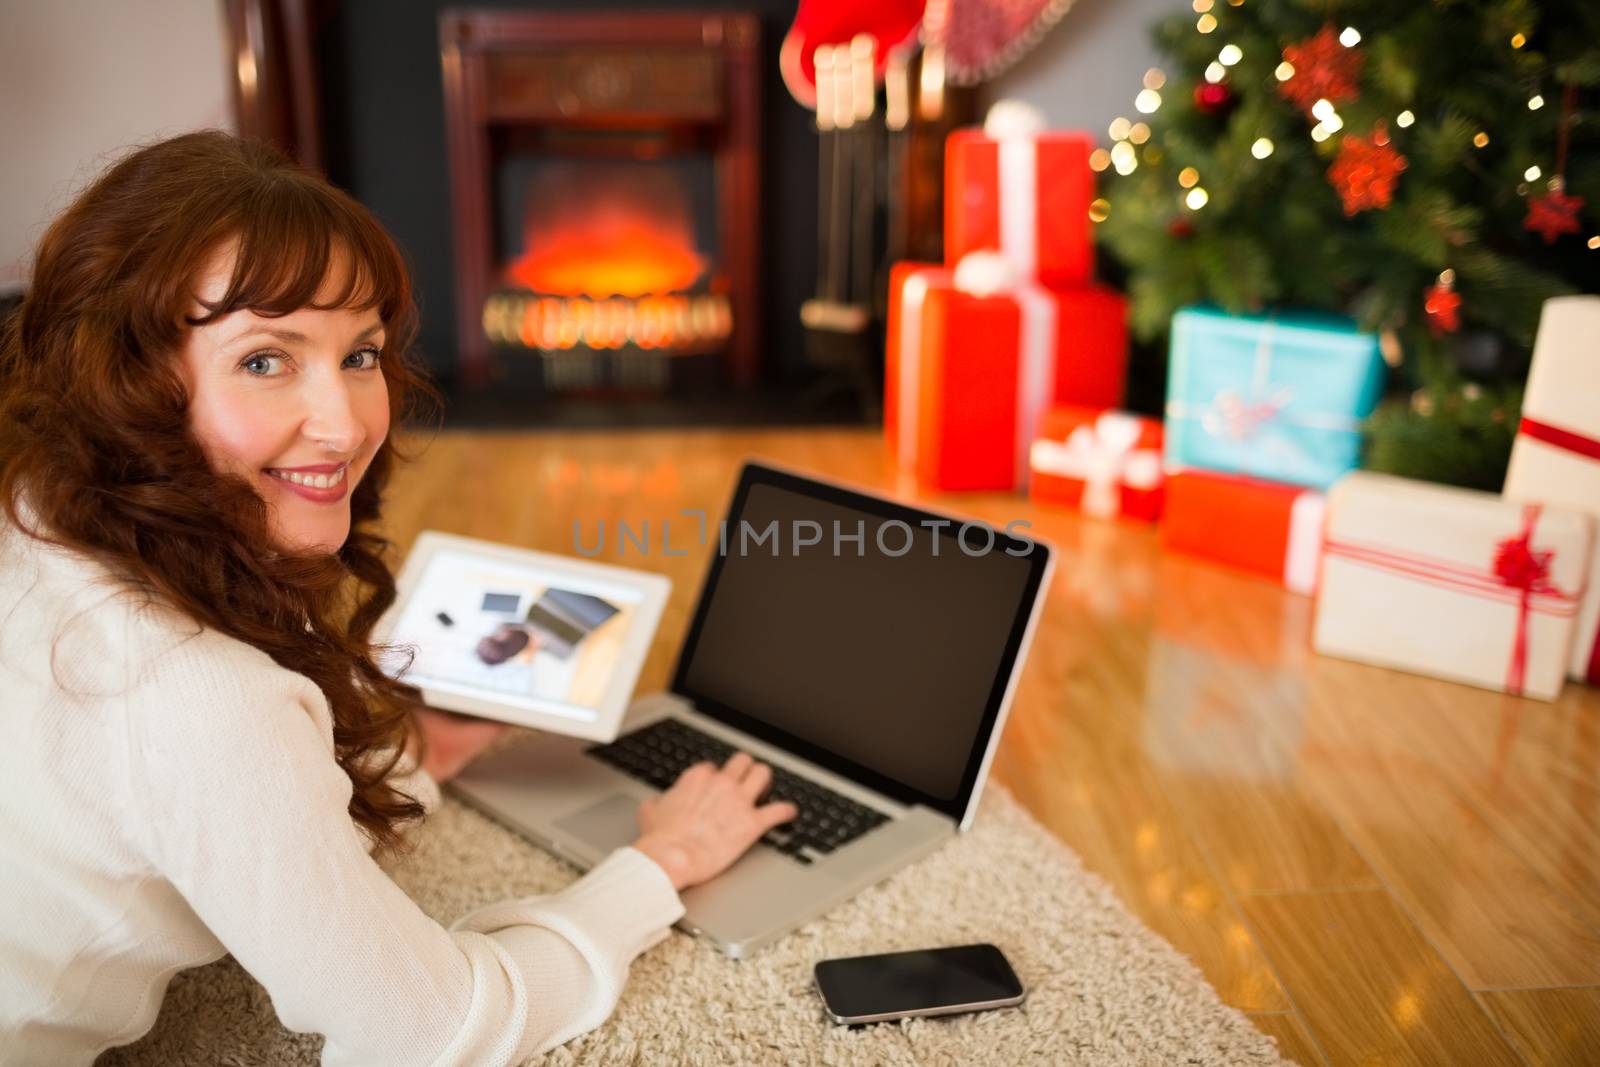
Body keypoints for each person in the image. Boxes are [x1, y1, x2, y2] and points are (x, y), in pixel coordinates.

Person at [0, 131, 797, 1066]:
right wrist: (660, 866)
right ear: (127, 379)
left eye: (361, 353)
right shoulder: (195, 694)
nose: (344, 424)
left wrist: (412, 754)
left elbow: (204, 809)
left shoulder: (34, 512)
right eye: (266, 359)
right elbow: (429, 1030)